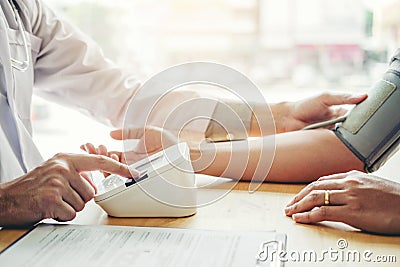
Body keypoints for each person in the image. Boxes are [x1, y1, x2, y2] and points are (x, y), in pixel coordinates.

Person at [0, 0, 364, 227]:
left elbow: (127, 98)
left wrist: (275, 116)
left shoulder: (19, 9)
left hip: (32, 234)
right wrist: (8, 200)